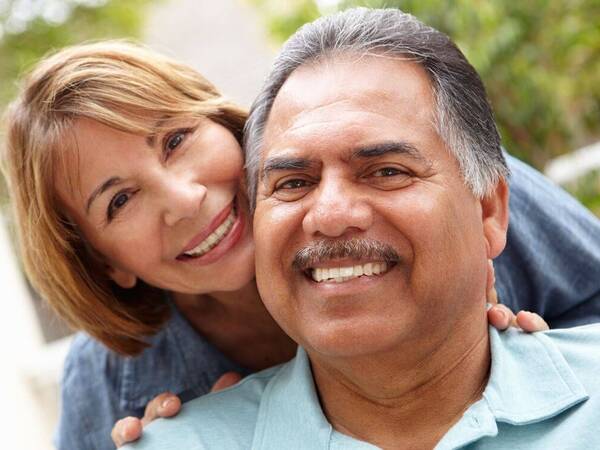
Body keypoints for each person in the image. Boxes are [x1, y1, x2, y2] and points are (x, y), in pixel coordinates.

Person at [0, 35, 595, 450]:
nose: (182, 200)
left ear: (226, 125)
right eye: (119, 201)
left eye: (176, 140)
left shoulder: (435, 189)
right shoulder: (108, 386)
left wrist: (535, 359)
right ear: (105, 263)